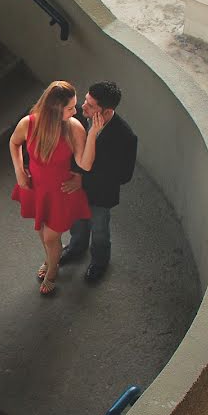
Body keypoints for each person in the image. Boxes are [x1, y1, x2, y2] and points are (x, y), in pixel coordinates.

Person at [10, 81, 103, 294]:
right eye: (70, 108)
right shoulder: (29, 123)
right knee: (42, 232)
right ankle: (51, 258)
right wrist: (19, 170)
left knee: (51, 237)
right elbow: (14, 143)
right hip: (37, 187)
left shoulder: (74, 127)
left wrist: (93, 135)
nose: (76, 111)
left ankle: (52, 270)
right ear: (54, 109)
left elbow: (85, 164)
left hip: (61, 192)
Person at [59, 81, 138, 282]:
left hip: (101, 194)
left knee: (100, 230)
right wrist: (76, 175)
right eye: (86, 100)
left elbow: (124, 176)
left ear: (107, 111)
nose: (83, 106)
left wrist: (86, 175)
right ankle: (76, 248)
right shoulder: (77, 115)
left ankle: (99, 262)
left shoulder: (125, 137)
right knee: (77, 222)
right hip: (76, 186)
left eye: (91, 105)